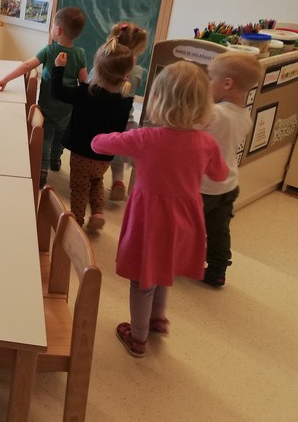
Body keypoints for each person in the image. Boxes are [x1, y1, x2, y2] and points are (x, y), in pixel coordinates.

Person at [92, 61, 228, 357]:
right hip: (185, 222)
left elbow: (99, 144)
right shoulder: (206, 142)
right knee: (165, 268)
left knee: (142, 279)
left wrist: (99, 133)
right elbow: (220, 174)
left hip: (149, 221)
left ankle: (137, 336)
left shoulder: (146, 138)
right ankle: (158, 319)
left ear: (157, 99)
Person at [0, 6, 88, 185]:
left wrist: (5, 79)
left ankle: (43, 169)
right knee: (60, 135)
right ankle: (56, 160)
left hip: (48, 105)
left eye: (52, 26)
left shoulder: (49, 51)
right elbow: (84, 81)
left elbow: (27, 66)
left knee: (46, 136)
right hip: (67, 107)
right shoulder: (80, 54)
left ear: (58, 30)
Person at [51, 38, 135, 232]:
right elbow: (119, 132)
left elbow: (57, 92)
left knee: (79, 189)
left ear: (97, 70)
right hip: (104, 159)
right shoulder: (124, 103)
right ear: (125, 75)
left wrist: (59, 68)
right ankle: (97, 212)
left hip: (81, 155)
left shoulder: (85, 93)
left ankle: (77, 223)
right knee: (97, 181)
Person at [200, 51, 261, 287]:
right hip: (228, 185)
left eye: (210, 78)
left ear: (227, 83)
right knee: (219, 230)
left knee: (182, 223)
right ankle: (217, 270)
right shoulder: (245, 117)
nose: (208, 83)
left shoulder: (214, 113)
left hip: (202, 186)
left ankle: (173, 258)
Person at [104, 22, 149, 201]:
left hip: (105, 118)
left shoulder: (105, 63)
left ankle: (97, 177)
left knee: (106, 148)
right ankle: (118, 181)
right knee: (120, 148)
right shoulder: (138, 71)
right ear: (138, 48)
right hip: (126, 120)